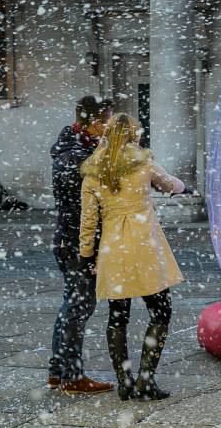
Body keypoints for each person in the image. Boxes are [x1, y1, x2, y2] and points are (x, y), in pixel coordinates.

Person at [79, 113, 187, 401]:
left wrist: (86, 254)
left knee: (118, 315)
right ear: (131, 135)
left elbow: (88, 221)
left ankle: (124, 380)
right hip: (144, 246)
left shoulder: (93, 172)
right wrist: (181, 186)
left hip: (113, 248)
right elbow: (168, 183)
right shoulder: (143, 162)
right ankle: (146, 379)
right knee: (160, 310)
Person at [48, 96, 115, 395]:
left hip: (74, 240)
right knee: (78, 307)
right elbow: (82, 205)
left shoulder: (81, 150)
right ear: (95, 123)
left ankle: (57, 371)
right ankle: (72, 376)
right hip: (76, 242)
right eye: (108, 121)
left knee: (72, 304)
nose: (111, 127)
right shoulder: (73, 156)